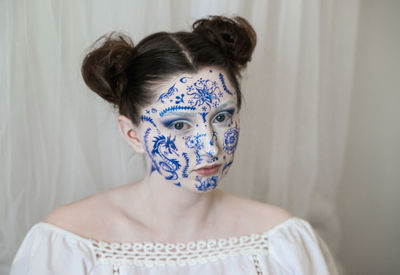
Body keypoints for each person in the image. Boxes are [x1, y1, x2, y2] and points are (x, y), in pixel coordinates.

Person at [10, 15, 338, 275]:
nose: (210, 148)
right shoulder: (70, 242)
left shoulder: (280, 240)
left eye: (222, 118)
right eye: (180, 125)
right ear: (132, 134)